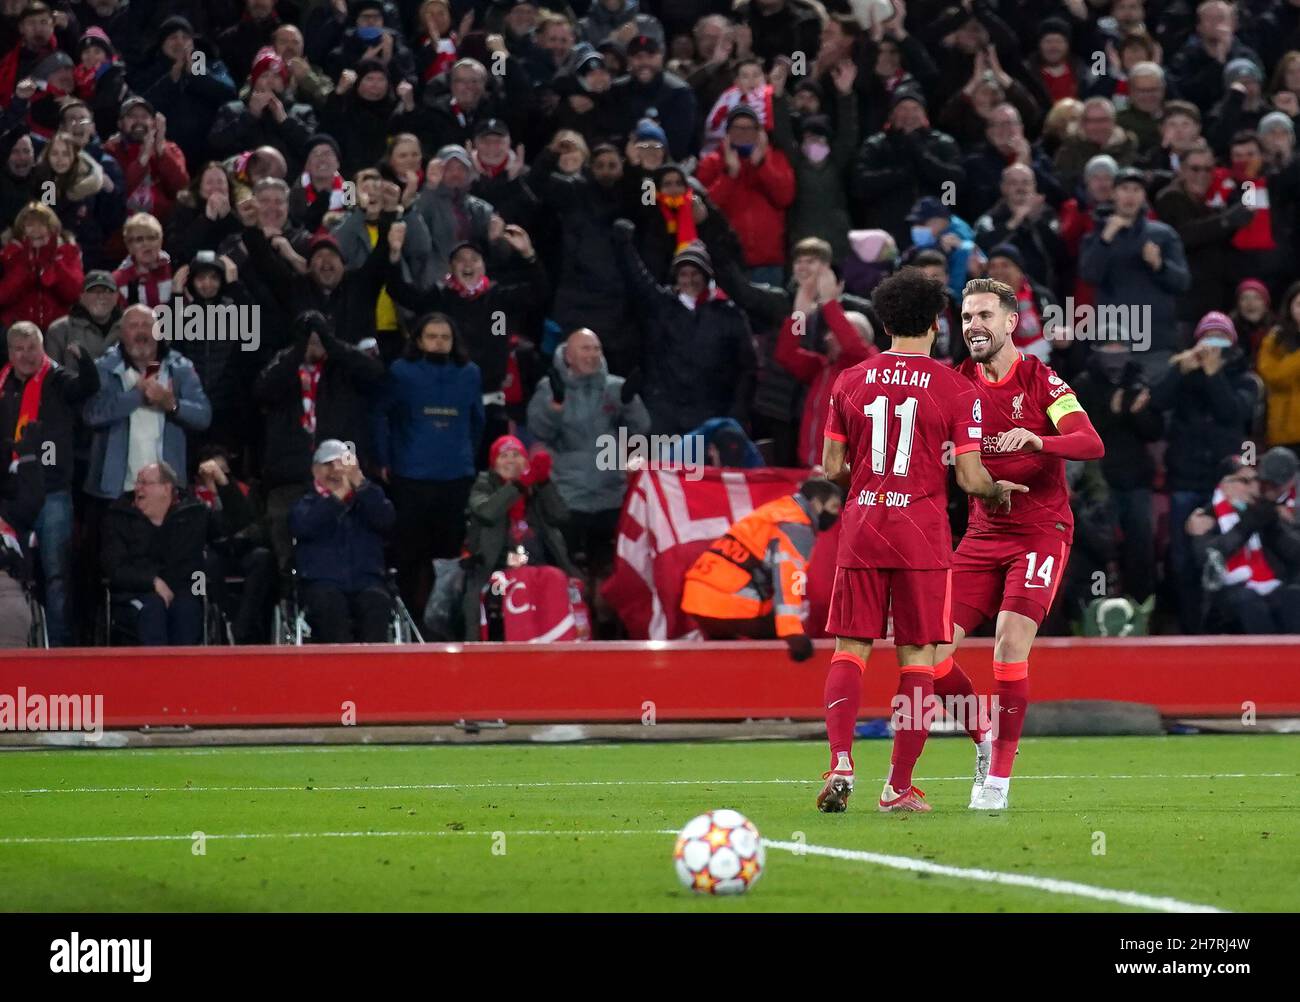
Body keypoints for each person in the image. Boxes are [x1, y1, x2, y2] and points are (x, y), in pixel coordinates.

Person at [815, 269, 1026, 816]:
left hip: (862, 528)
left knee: (850, 650)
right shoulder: (958, 388)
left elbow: (830, 466)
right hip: (921, 536)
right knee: (918, 659)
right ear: (936, 324)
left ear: (885, 322)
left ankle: (840, 763)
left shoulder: (849, 380)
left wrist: (868, 483)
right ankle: (897, 787)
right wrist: (998, 490)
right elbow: (971, 478)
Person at [932, 277, 1105, 812]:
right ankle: (982, 735)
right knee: (929, 654)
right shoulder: (957, 383)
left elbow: (1090, 442)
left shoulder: (1040, 380)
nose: (973, 326)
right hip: (982, 535)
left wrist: (1039, 440)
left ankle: (1000, 780)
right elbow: (938, 448)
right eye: (965, 318)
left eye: (984, 315)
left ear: (1011, 322)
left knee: (1009, 642)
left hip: (1039, 532)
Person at [1150, 311, 1259, 631]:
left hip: (1224, 482)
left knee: (1225, 557)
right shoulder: (1184, 372)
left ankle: (1223, 629)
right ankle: (1189, 629)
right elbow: (1155, 403)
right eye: (1208, 338)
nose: (1213, 345)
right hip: (1185, 477)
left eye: (1220, 338)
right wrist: (1178, 371)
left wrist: (1214, 375)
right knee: (1184, 560)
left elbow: (1231, 412)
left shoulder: (1245, 378)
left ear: (1232, 343)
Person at [373, 313, 484, 619]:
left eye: (445, 337)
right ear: (419, 340)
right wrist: (384, 459)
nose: (439, 342)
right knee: (408, 557)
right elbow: (381, 415)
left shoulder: (470, 372)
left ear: (454, 341)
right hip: (411, 476)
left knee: (449, 558)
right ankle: (407, 621)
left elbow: (477, 421)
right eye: (432, 336)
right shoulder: (401, 371)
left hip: (455, 478)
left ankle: (445, 622)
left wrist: (464, 456)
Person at [526, 327, 648, 577]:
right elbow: (539, 432)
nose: (592, 354)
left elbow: (641, 429)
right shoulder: (549, 389)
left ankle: (602, 614)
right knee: (566, 571)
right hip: (568, 496)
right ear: (568, 356)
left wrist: (630, 402)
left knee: (607, 571)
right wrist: (555, 408)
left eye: (596, 348)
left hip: (610, 494)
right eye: (585, 348)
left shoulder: (615, 387)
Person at [681, 478, 842, 657]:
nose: (836, 514)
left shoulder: (776, 511)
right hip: (726, 601)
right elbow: (789, 578)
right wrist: (792, 632)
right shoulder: (797, 526)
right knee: (777, 648)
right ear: (817, 504)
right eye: (834, 506)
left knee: (726, 660)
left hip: (696, 595)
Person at [102, 460, 251, 646]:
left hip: (183, 593)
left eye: (145, 483)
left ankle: (184, 674)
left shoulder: (192, 513)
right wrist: (152, 581)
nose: (137, 488)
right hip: (135, 594)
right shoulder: (120, 516)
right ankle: (154, 675)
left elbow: (237, 521)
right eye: (137, 482)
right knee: (153, 610)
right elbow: (115, 568)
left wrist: (223, 482)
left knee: (186, 611)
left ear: (166, 488)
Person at [83, 304, 212, 503]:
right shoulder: (104, 368)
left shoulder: (180, 368)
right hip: (116, 490)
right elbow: (91, 415)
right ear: (122, 333)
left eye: (147, 325)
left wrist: (172, 405)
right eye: (134, 325)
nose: (141, 331)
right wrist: (137, 397)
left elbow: (203, 416)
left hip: (167, 490)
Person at [461, 435, 578, 641]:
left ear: (525, 461)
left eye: (516, 455)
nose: (510, 460)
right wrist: (518, 485)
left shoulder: (535, 486)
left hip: (539, 567)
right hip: (496, 571)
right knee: (519, 582)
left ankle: (561, 645)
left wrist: (544, 482)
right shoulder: (483, 486)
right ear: (493, 463)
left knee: (558, 579)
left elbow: (560, 515)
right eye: (504, 456)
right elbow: (487, 512)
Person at [289, 438, 396, 643]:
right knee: (330, 607)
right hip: (322, 581)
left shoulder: (368, 498)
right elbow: (302, 527)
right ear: (315, 471)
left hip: (366, 580)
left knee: (377, 604)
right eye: (328, 465)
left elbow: (386, 519)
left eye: (341, 464)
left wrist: (361, 484)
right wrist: (338, 498)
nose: (335, 470)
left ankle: (374, 672)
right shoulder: (304, 503)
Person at [1187, 453, 1300, 633]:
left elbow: (1293, 553)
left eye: (1255, 480)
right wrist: (1244, 527)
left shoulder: (1263, 511)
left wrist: (1271, 524)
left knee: (1293, 598)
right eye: (1244, 481)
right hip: (1225, 593)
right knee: (1248, 602)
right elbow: (1207, 558)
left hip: (1269, 584)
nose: (1253, 487)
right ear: (1225, 485)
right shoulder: (1207, 516)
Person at [1257, 281, 1300, 453]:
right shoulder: (1274, 339)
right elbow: (1274, 377)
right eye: (1299, 304)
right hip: (1284, 432)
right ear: (1290, 307)